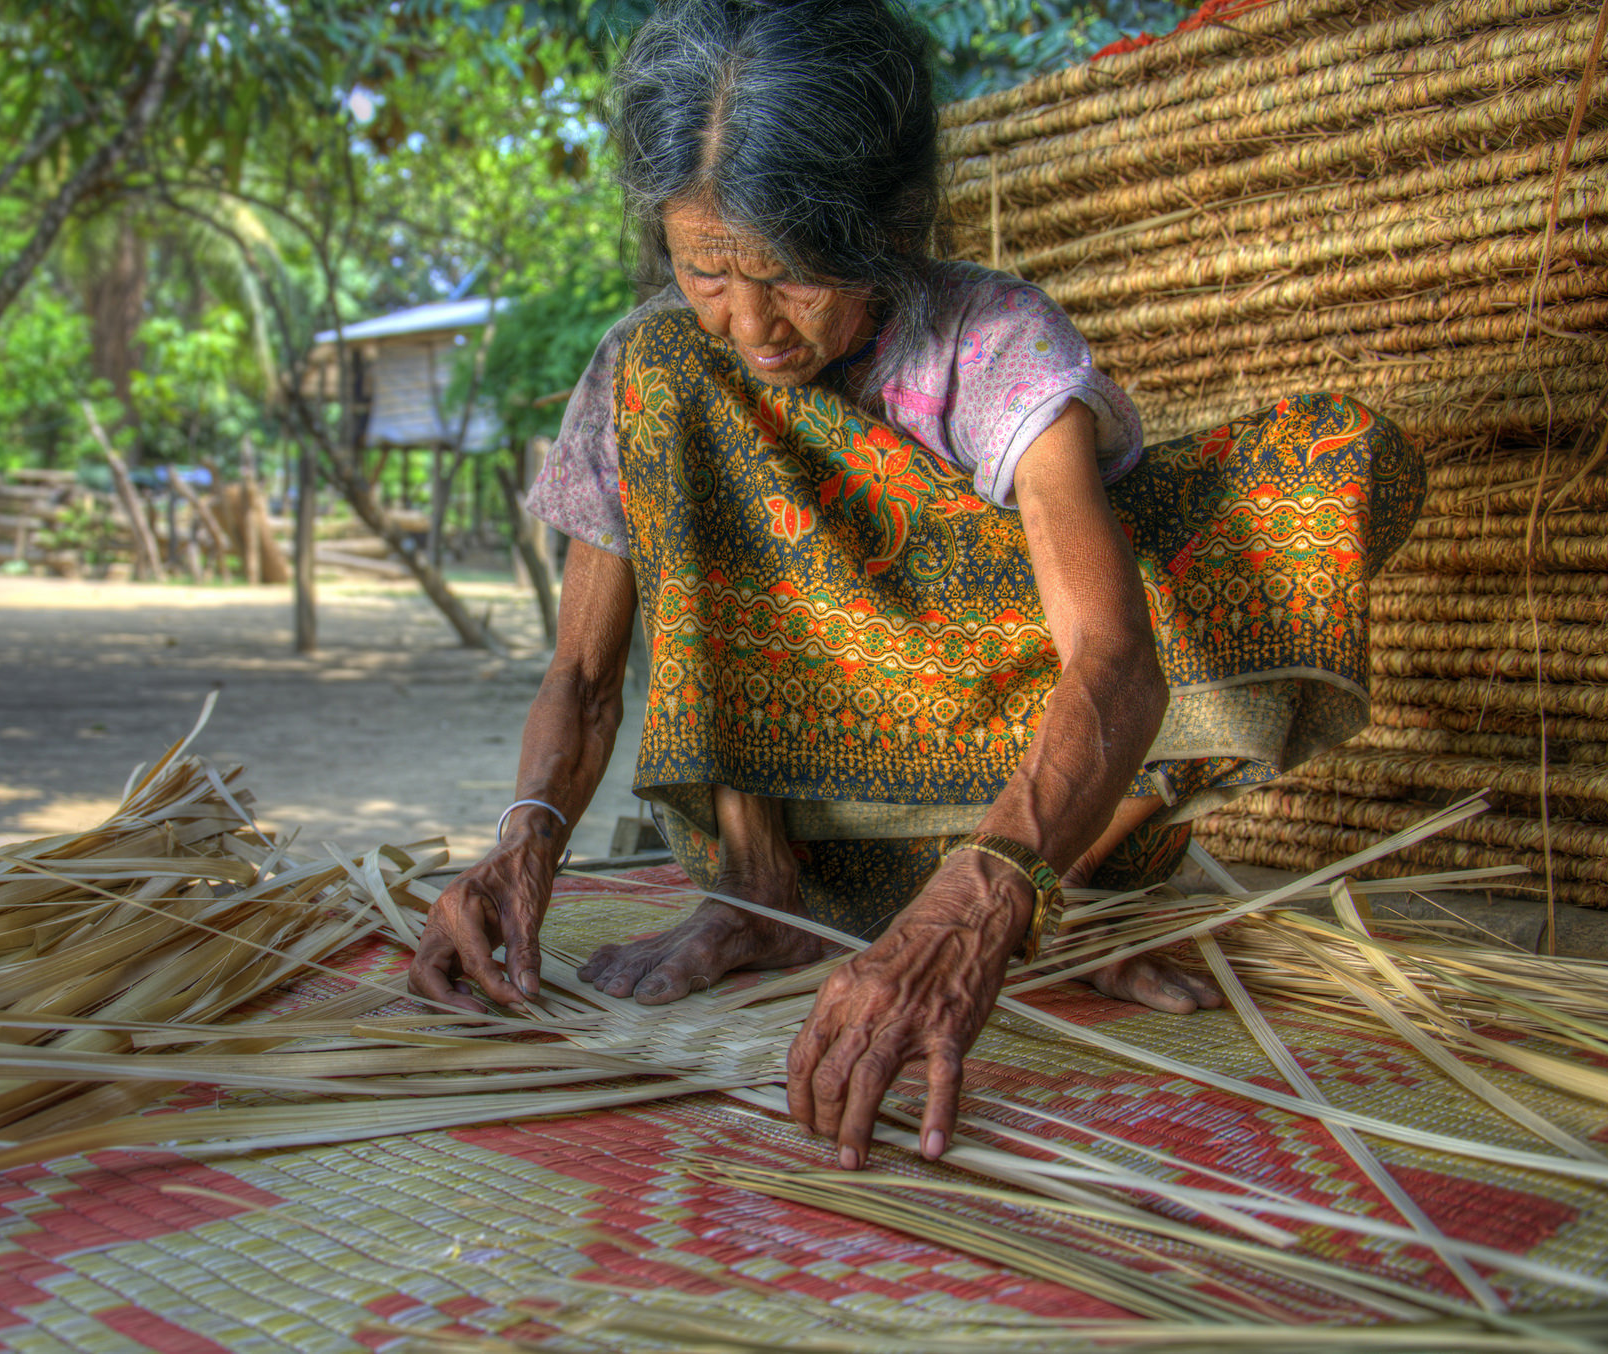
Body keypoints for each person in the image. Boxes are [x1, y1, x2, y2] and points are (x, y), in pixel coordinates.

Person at [410, 0, 1423, 1171]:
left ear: (885, 227)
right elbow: (583, 674)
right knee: (664, 367)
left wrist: (992, 896)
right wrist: (522, 841)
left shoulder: (991, 344)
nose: (751, 324)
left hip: (1035, 813)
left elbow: (1111, 661)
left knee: (1331, 470)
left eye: (788, 276)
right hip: (816, 828)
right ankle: (755, 889)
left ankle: (1061, 897)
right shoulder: (669, 364)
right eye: (704, 272)